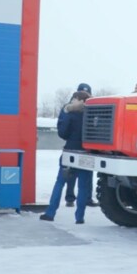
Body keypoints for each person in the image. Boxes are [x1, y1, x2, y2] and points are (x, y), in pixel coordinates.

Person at [41, 90, 93, 224]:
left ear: (77, 99)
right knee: (83, 187)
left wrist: (66, 115)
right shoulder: (92, 113)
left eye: (73, 99)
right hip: (87, 153)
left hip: (70, 151)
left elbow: (63, 133)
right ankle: (80, 217)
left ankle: (50, 213)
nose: (71, 102)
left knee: (60, 182)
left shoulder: (71, 113)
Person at [64, 83, 92, 207]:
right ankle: (70, 198)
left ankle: (87, 198)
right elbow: (63, 128)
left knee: (87, 174)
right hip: (74, 145)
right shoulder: (68, 109)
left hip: (87, 146)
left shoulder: (93, 108)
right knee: (71, 174)